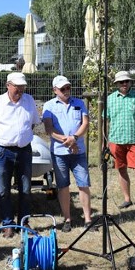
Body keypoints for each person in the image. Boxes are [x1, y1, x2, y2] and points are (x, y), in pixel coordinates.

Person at [0, 72, 41, 237]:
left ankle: (23, 223)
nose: (20, 89)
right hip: (3, 152)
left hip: (24, 150)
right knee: (3, 190)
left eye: (22, 86)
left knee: (26, 189)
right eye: (17, 86)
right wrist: (1, 140)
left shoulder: (29, 100)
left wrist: (21, 138)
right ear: (8, 85)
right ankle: (8, 223)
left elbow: (33, 124)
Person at [42, 75, 92, 232]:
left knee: (83, 184)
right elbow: (49, 129)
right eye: (62, 89)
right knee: (63, 186)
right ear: (55, 90)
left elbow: (85, 123)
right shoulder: (49, 106)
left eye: (68, 87)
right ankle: (68, 219)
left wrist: (75, 138)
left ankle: (88, 220)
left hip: (78, 151)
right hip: (59, 153)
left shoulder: (79, 103)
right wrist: (68, 141)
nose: (66, 91)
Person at [106, 70, 135, 212]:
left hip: (134, 140)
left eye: (126, 81)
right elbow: (106, 120)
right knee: (121, 169)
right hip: (116, 140)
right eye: (121, 82)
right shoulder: (110, 99)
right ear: (116, 84)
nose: (124, 84)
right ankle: (127, 199)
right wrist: (105, 141)